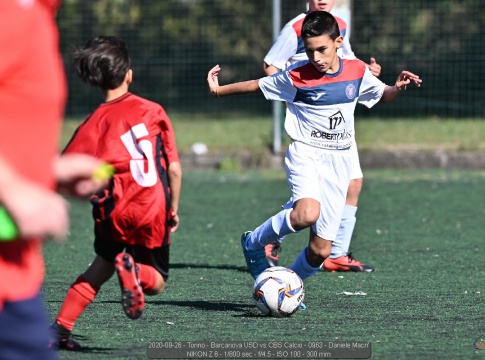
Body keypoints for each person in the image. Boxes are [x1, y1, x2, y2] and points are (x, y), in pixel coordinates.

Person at [207, 11, 420, 293]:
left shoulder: (356, 70)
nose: (316, 57)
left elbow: (382, 95)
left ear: (338, 43)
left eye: (322, 49)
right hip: (306, 153)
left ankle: (286, 287)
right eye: (309, 51)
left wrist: (397, 87)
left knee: (319, 252)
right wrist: (218, 91)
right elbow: (256, 85)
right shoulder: (296, 76)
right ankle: (253, 242)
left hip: (340, 160)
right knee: (307, 213)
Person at [49, 35, 182, 351]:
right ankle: (134, 270)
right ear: (129, 74)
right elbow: (174, 169)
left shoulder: (93, 123)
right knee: (157, 283)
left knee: (101, 266)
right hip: (153, 207)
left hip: (115, 210)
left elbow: (65, 168)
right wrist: (173, 208)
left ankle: (60, 331)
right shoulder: (153, 110)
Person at [0, 1, 109, 359]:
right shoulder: (10, 14)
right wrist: (13, 188)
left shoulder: (37, 15)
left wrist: (45, 171)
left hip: (15, 274)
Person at [263, 0, 380, 272]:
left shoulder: (340, 25)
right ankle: (273, 238)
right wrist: (293, 99)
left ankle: (335, 252)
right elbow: (271, 65)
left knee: (354, 183)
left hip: (338, 123)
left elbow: (347, 62)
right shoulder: (295, 28)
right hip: (313, 122)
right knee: (309, 202)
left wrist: (369, 73)